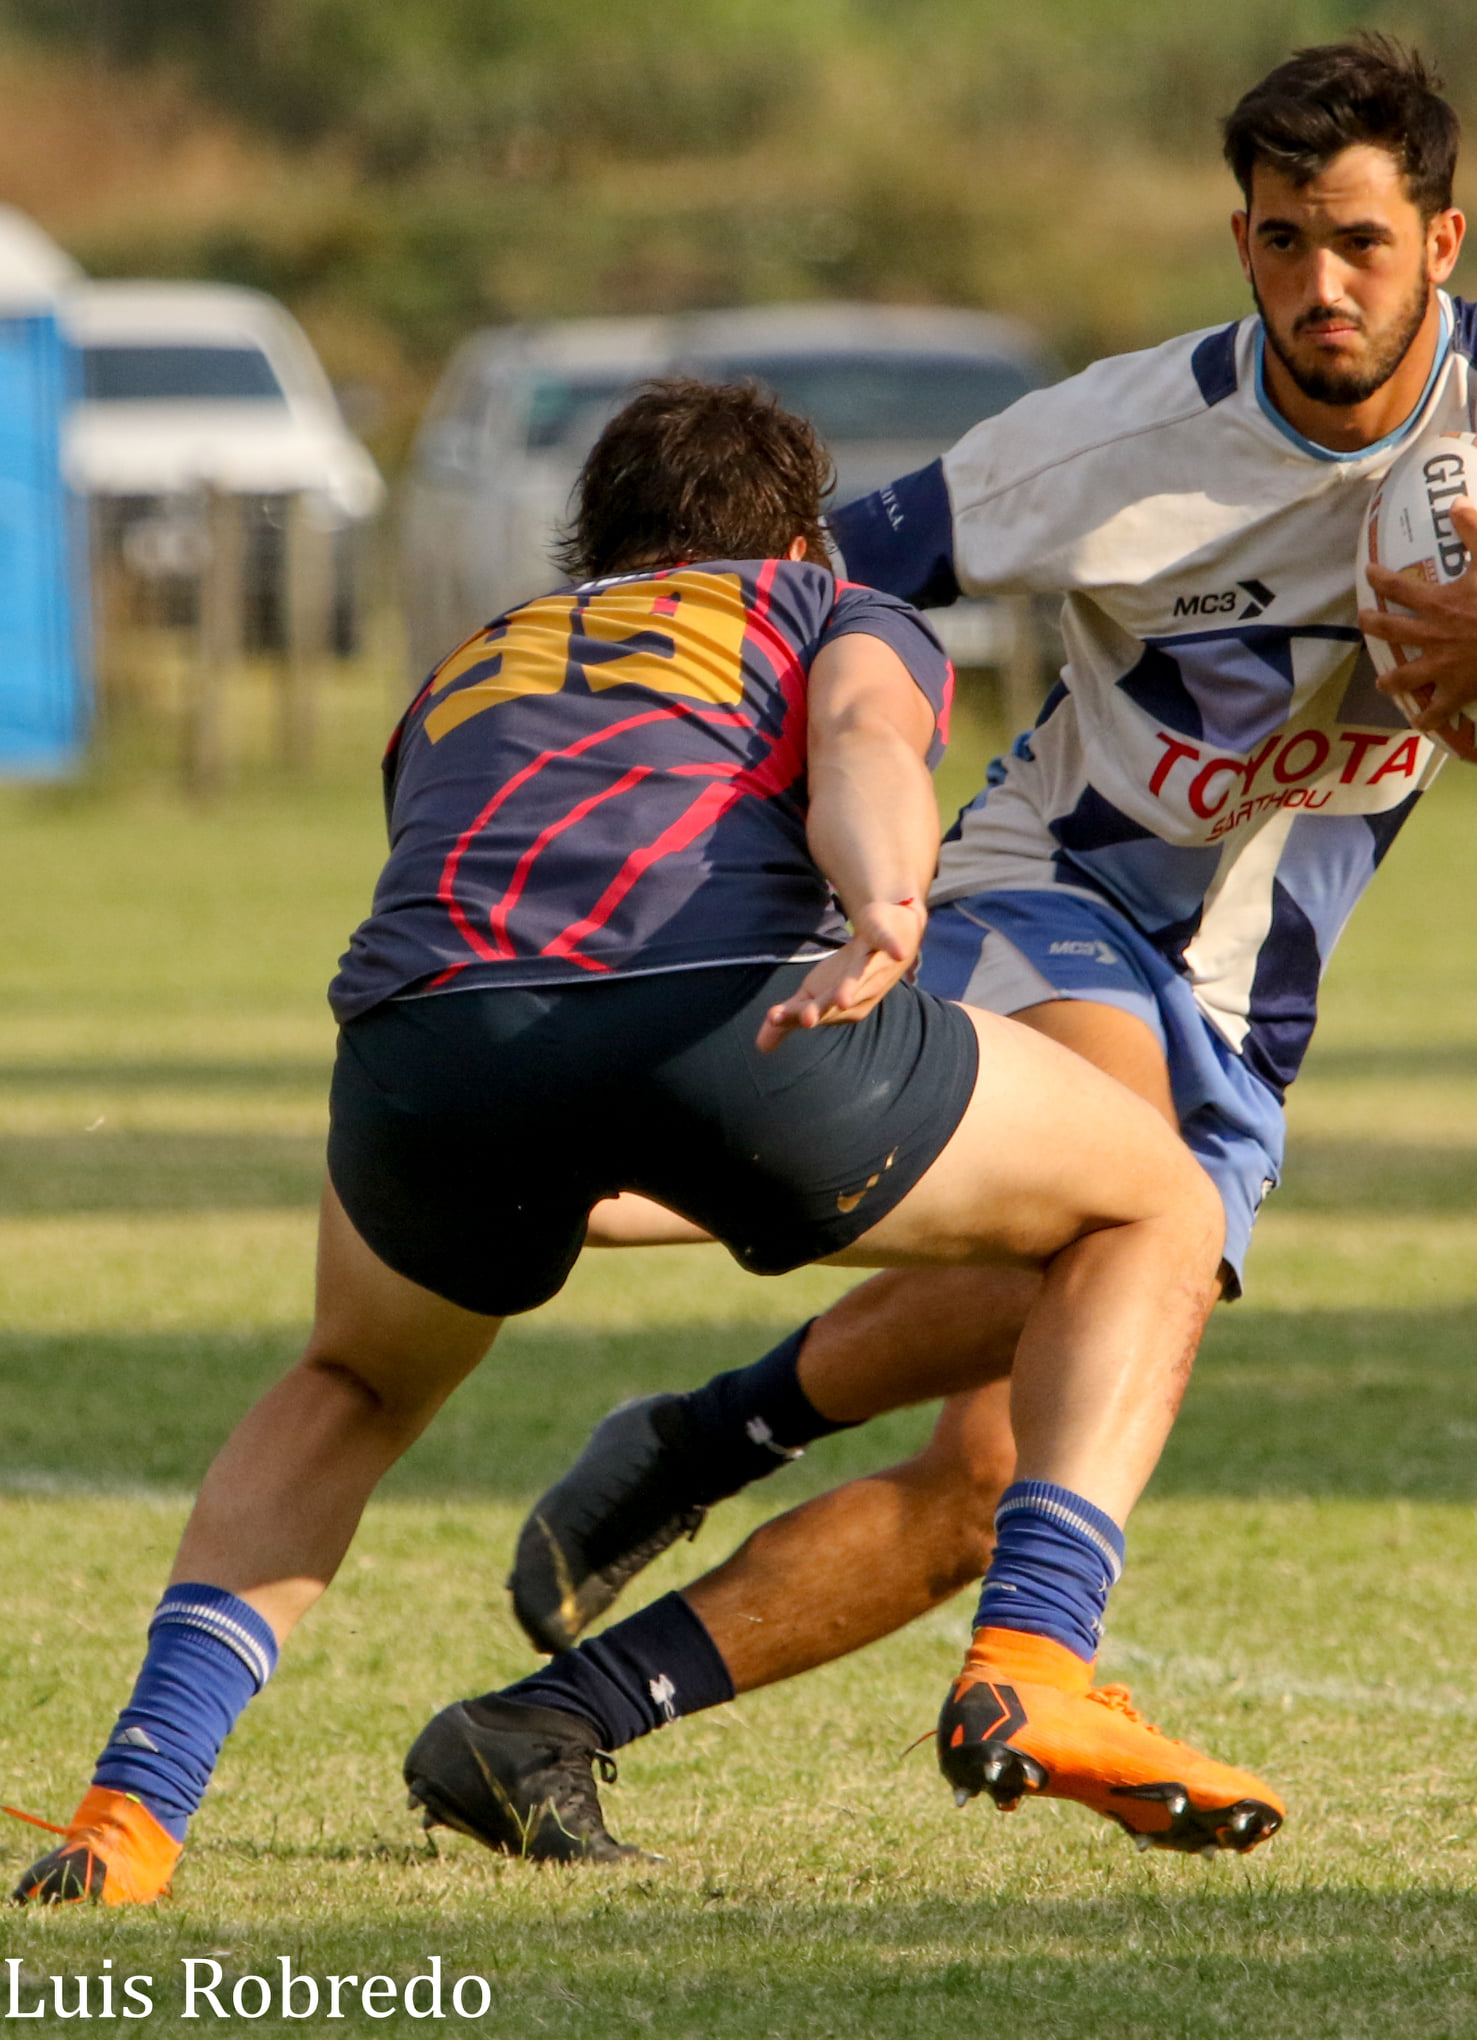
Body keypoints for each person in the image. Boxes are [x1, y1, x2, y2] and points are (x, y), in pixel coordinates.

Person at [478, 34, 1477, 1858]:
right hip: (1048, 901)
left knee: (990, 1473)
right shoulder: (1115, 442)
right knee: (1147, 1203)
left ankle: (554, 1700)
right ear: (1240, 235)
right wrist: (624, 787)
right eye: (1282, 243)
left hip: (1243, 996)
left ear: (1445, 240)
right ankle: (1038, 1662)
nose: (1322, 287)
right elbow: (811, 593)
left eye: (1362, 242)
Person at [11, 379, 1285, 1908]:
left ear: (588, 545)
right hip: (732, 1020)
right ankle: (1037, 1660)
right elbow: (871, 738)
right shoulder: (829, 606)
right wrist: (891, 902)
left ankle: (131, 1812)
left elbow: (497, 920)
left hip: (421, 1044)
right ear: (804, 537)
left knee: (350, 1382)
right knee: (1153, 1204)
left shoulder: (471, 662)